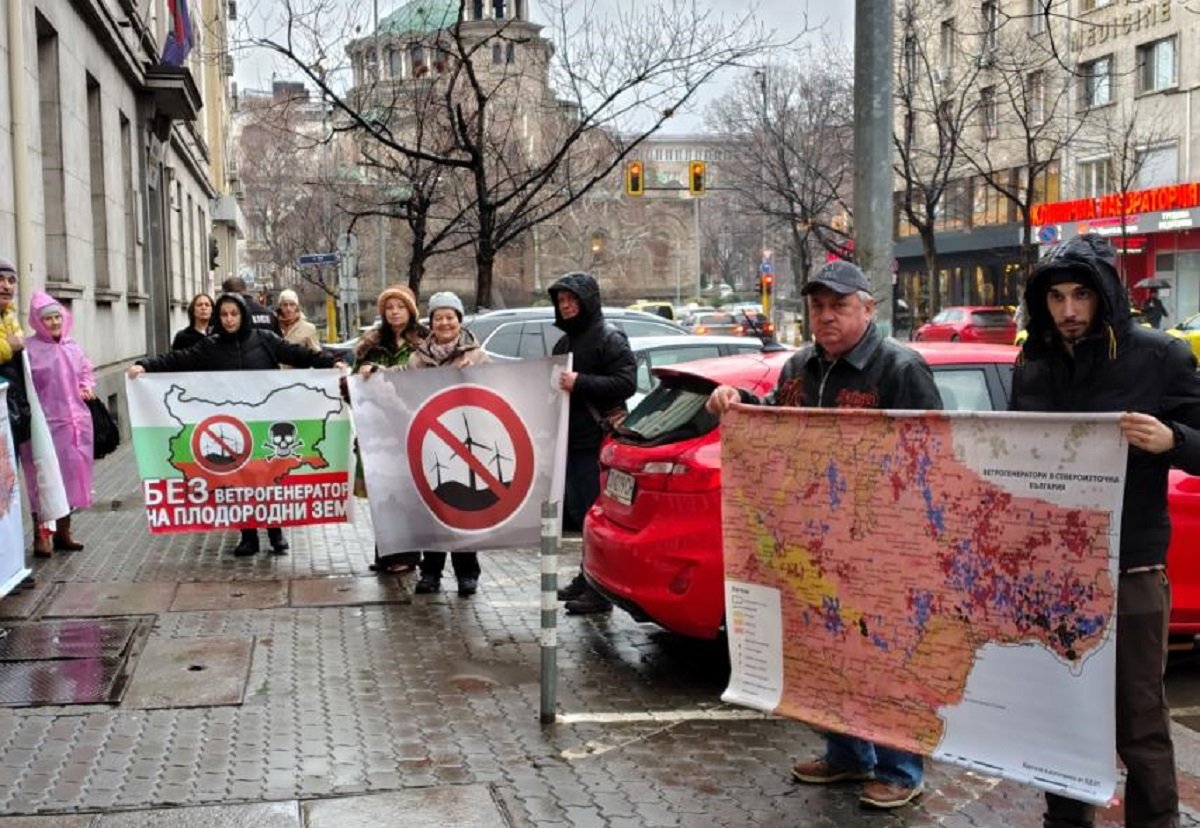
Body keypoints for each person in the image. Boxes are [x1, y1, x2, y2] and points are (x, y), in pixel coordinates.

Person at [707, 260, 942, 811]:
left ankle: (902, 769)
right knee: (829, 650)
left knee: (886, 658)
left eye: (838, 306)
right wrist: (741, 406)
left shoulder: (900, 368)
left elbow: (929, 456)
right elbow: (778, 427)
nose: (826, 316)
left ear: (867, 307)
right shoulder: (801, 366)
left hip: (883, 545)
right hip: (817, 545)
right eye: (818, 307)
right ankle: (846, 754)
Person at [1012, 233, 1200, 828]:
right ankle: (1065, 819)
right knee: (1062, 713)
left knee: (1139, 718)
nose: (1069, 311)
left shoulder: (1161, 357)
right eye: (1057, 297)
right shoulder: (1034, 364)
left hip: (1132, 569)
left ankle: (1156, 821)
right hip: (1054, 573)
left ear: (1107, 297)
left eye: (1082, 297)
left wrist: (1175, 441)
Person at [127, 292, 341, 556]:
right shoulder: (210, 346)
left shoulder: (265, 340)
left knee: (266, 478)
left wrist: (332, 361)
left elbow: (299, 354)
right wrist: (144, 365)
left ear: (243, 315)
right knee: (238, 481)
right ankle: (248, 535)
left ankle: (276, 532)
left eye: (234, 314)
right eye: (224, 315)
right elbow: (177, 359)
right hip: (230, 426)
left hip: (263, 422)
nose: (229, 320)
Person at [549, 273, 636, 615]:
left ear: (587, 300)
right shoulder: (564, 343)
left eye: (571, 299)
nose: (566, 306)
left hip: (598, 442)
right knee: (581, 515)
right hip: (572, 441)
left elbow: (626, 382)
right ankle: (587, 577)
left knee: (594, 516)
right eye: (561, 301)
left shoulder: (608, 337)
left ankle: (600, 591)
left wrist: (580, 382)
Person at [407, 291, 488, 596]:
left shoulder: (478, 356)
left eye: (449, 317)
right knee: (433, 508)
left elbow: (494, 392)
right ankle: (430, 572)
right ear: (431, 322)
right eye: (438, 317)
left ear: (459, 320)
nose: (444, 323)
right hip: (431, 442)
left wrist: (472, 375)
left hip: (467, 444)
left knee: (463, 508)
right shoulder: (418, 358)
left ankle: (467, 572)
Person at [354, 284, 427, 575]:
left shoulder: (423, 342)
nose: (394, 312)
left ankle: (408, 555)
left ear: (410, 311)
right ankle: (385, 551)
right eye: (389, 307)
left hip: (410, 426)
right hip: (377, 428)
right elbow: (353, 385)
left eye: (400, 306)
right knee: (383, 492)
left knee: (408, 492)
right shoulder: (370, 344)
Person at [19, 292, 97, 556]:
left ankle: (64, 531)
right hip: (43, 426)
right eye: (48, 319)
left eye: (57, 317)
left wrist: (86, 387)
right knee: (42, 480)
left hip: (74, 424)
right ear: (37, 322)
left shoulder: (72, 346)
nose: (53, 323)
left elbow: (85, 370)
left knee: (71, 478)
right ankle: (42, 536)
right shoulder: (29, 350)